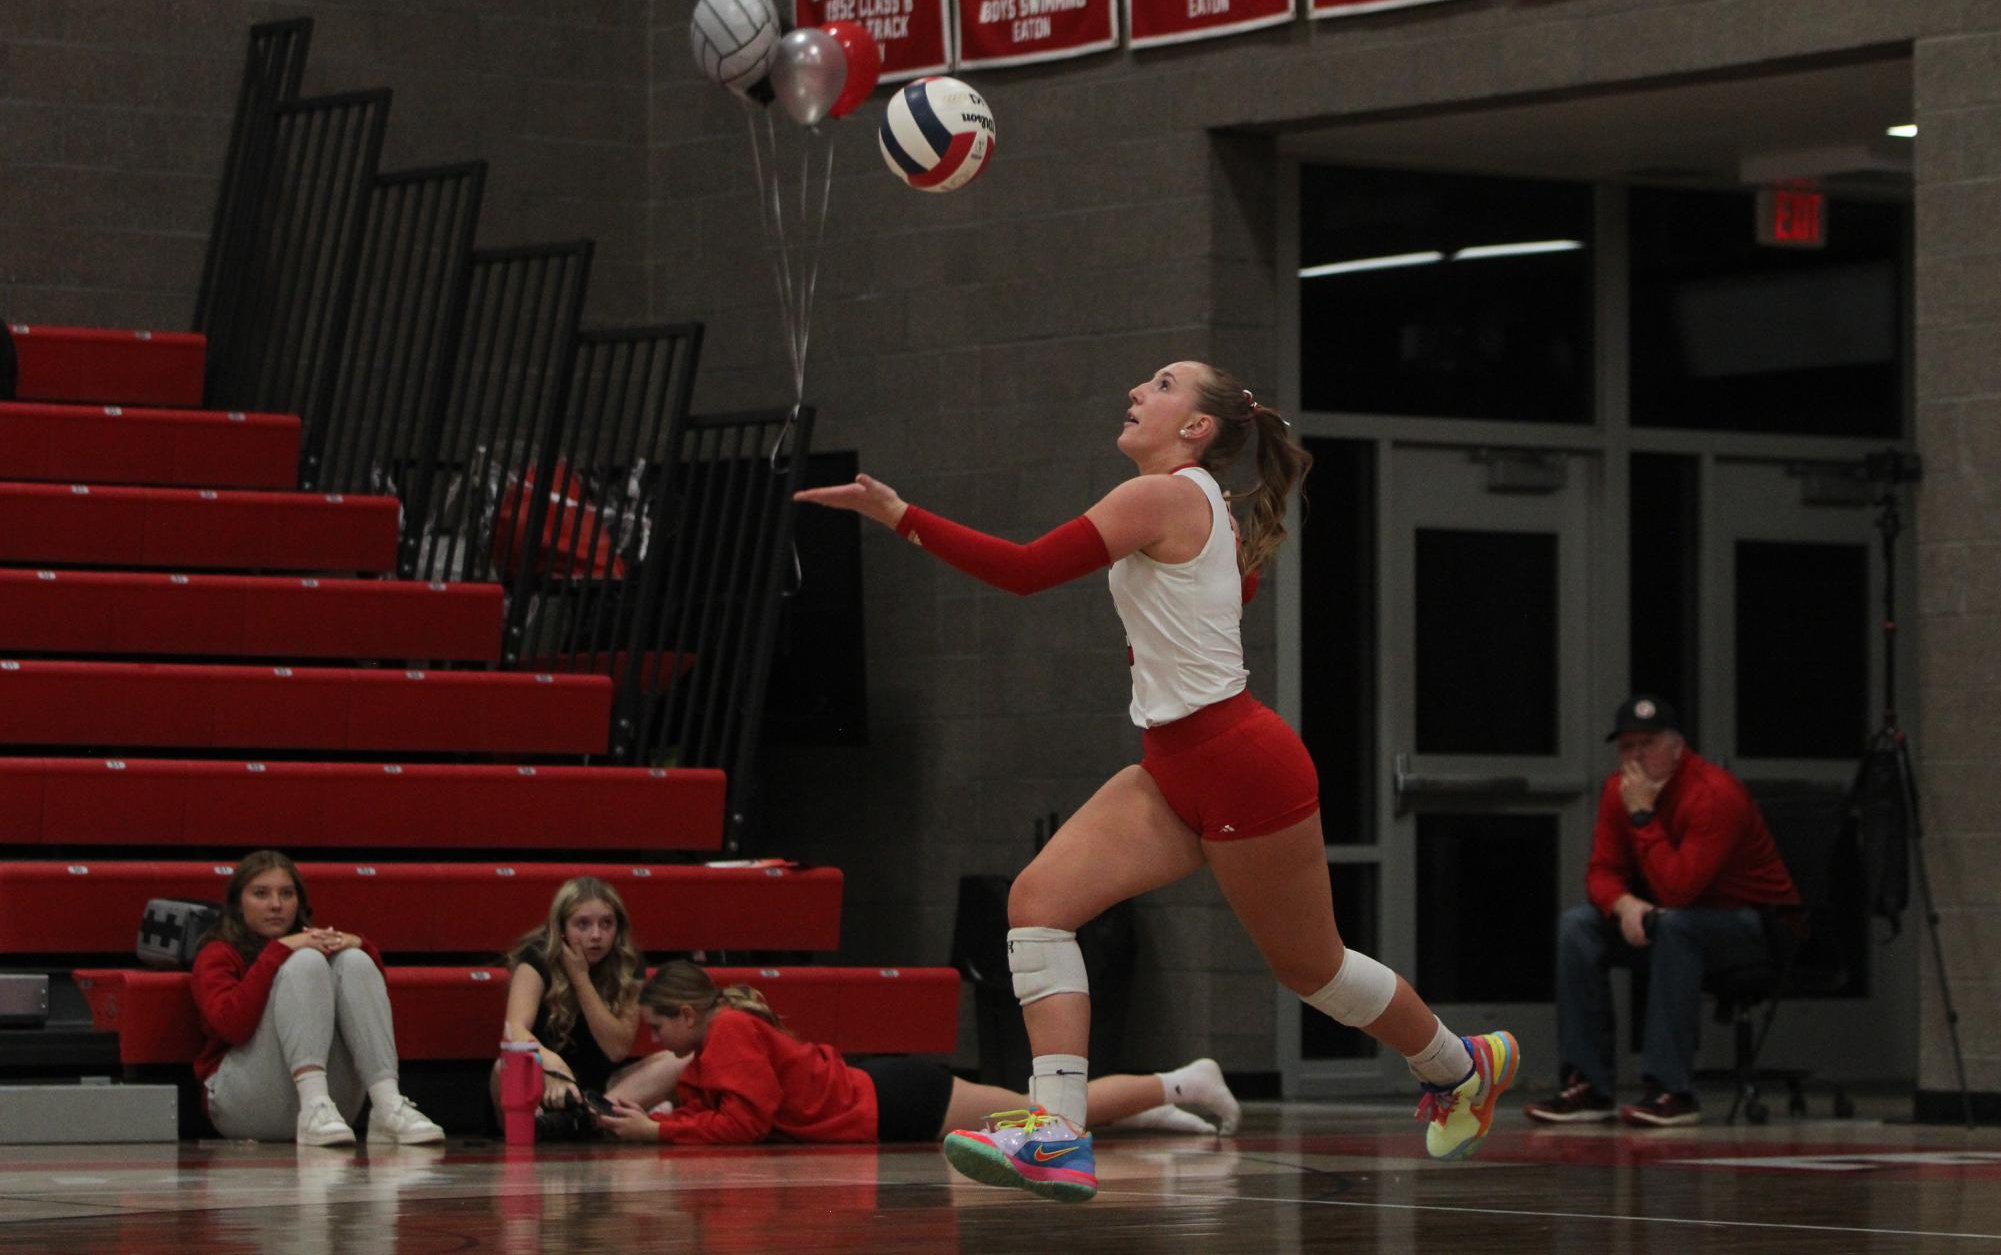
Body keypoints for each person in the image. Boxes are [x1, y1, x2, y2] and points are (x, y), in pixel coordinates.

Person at [794, 359, 1516, 1203]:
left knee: (1311, 971)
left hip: (1241, 764)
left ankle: (1462, 1065)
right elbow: (1224, 593)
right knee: (1035, 905)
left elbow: (1025, 571)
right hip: (1175, 762)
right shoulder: (1192, 500)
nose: (1136, 390)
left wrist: (898, 515)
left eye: (1162, 384)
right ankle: (1058, 1134)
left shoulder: (1163, 494)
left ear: (1196, 428)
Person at [596, 961, 1239, 1159]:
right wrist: (658, 1115)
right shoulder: (718, 1036)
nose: (654, 1041)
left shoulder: (730, 1030)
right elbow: (730, 1107)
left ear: (685, 1015)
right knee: (1041, 1121)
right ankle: (1159, 1110)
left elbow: (748, 1123)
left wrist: (659, 1127)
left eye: (656, 1027)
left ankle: (1180, 1084)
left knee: (1049, 1118)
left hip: (899, 1100)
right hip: (884, 1097)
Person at [1525, 696, 1801, 1128]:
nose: (1635, 757)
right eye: (1626, 747)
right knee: (1578, 926)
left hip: (1756, 928)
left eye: (1647, 745)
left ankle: (1672, 1089)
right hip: (1677, 922)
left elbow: (1679, 888)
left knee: (1675, 926)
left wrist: (1642, 817)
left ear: (1677, 748)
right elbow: (1601, 871)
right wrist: (1624, 903)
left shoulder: (1714, 793)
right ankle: (1589, 1086)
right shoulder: (1620, 790)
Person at [190, 849, 445, 1146]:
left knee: (354, 960)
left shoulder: (312, 943)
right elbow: (231, 1027)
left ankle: (386, 1104)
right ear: (237, 903)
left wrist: (363, 947)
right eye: (261, 894)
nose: (276, 905)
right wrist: (279, 952)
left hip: (335, 1107)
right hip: (242, 1103)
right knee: (306, 962)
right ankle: (313, 1105)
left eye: (286, 894)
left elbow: (368, 1010)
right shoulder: (217, 953)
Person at [490, 876, 659, 1124]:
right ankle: (545, 1122)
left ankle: (591, 1117)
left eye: (606, 924)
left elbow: (617, 1049)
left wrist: (580, 978)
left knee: (675, 1060)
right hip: (544, 1075)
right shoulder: (536, 957)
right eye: (583, 924)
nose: (596, 935)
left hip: (603, 1088)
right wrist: (555, 1067)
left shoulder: (628, 963)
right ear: (561, 928)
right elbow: (514, 1030)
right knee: (502, 1067)